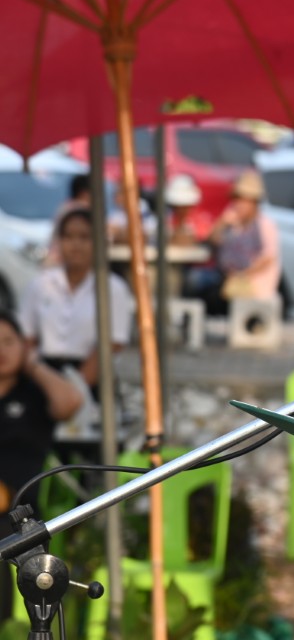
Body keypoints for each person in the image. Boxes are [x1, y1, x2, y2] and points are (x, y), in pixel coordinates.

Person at [0, 310, 84, 624]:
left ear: (24, 346)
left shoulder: (33, 393)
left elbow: (71, 402)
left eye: (8, 341)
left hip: (19, 511)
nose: (1, 350)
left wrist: (32, 364)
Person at [19, 208, 134, 396]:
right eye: (68, 237)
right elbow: (27, 338)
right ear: (59, 241)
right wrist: (44, 378)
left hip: (93, 378)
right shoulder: (41, 284)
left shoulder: (113, 288)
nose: (76, 244)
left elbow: (112, 344)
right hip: (44, 376)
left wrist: (74, 391)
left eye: (84, 237)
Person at [197, 169, 280, 316]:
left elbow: (268, 257)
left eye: (244, 200)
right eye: (237, 199)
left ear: (254, 202)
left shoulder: (264, 224)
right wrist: (222, 223)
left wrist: (241, 274)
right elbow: (212, 241)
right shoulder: (234, 224)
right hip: (230, 282)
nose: (239, 204)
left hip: (253, 286)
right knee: (198, 285)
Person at [163, 174, 211, 246]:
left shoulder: (201, 220)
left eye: (184, 206)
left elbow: (204, 238)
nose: (180, 209)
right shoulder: (167, 220)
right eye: (177, 205)